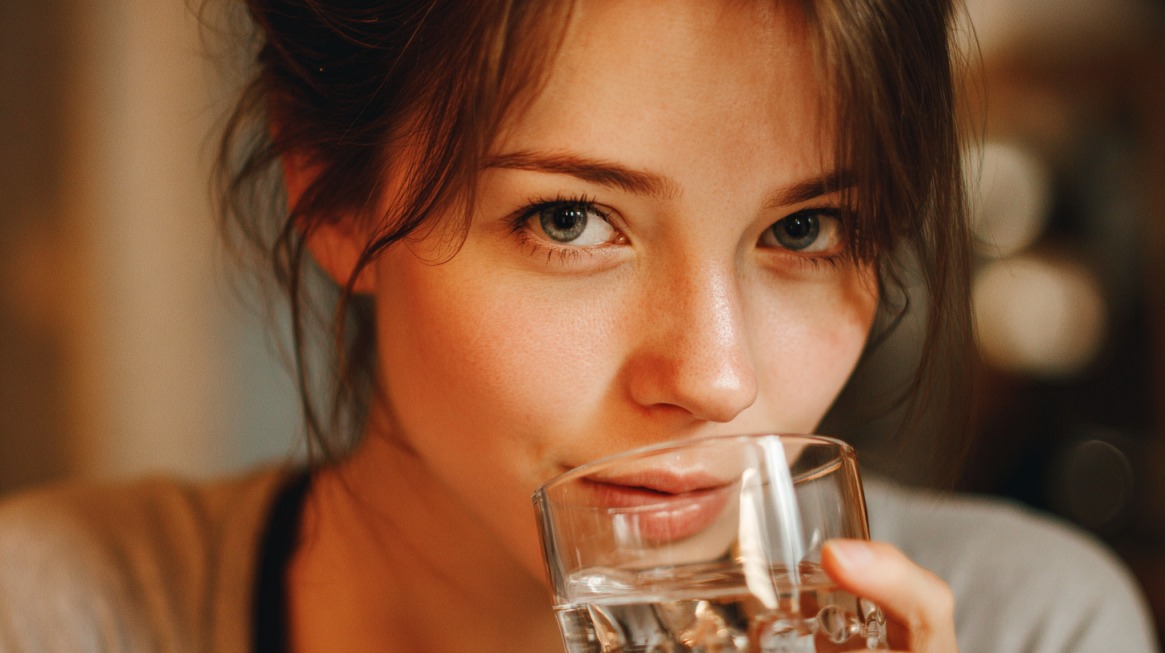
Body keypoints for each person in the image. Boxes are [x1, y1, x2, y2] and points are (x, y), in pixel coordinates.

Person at [0, 0, 1156, 651]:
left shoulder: (1034, 624)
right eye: (569, 217)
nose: (713, 375)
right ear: (331, 192)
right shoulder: (50, 614)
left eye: (802, 230)